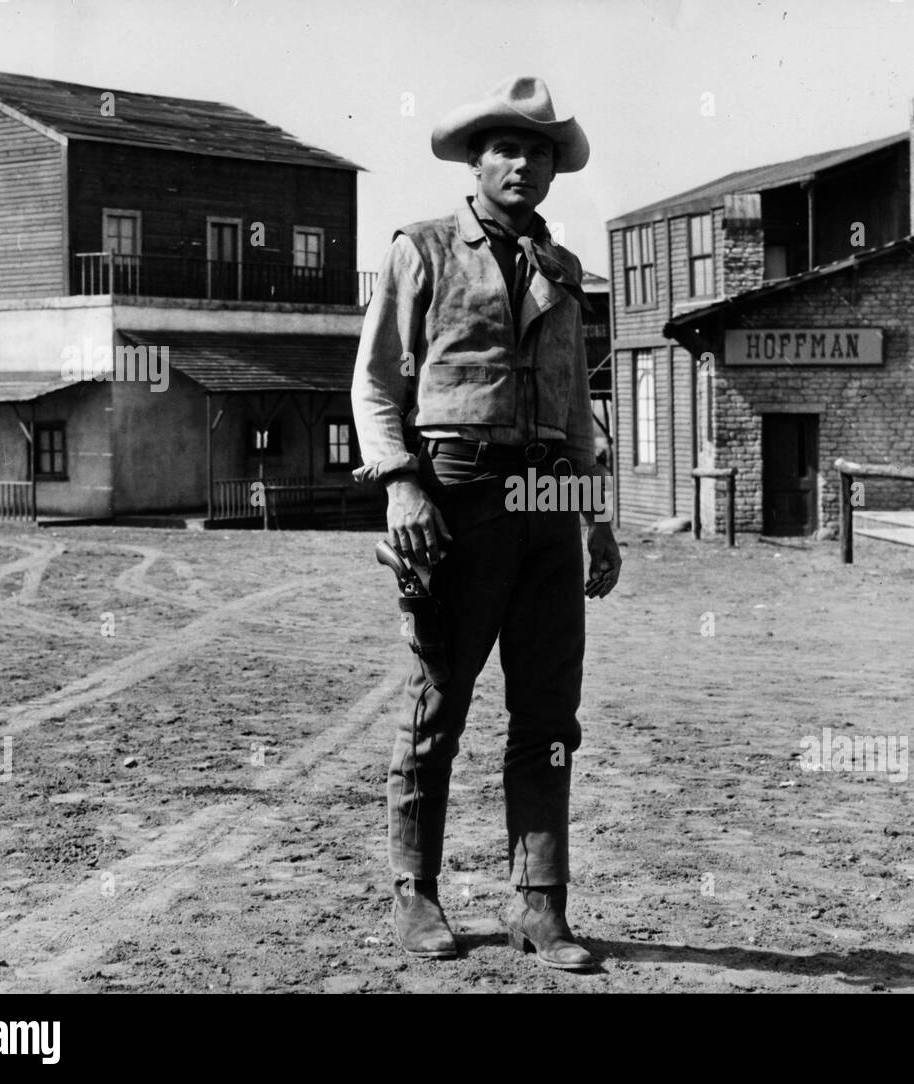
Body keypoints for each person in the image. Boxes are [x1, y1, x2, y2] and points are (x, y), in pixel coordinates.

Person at [350, 76, 621, 971]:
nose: (523, 164)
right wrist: (400, 486)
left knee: (548, 715)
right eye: (506, 148)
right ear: (475, 160)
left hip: (548, 505)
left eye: (539, 151)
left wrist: (595, 518)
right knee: (439, 705)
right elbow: (377, 383)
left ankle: (540, 908)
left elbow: (576, 407)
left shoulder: (563, 270)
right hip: (456, 498)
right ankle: (415, 895)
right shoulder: (422, 249)